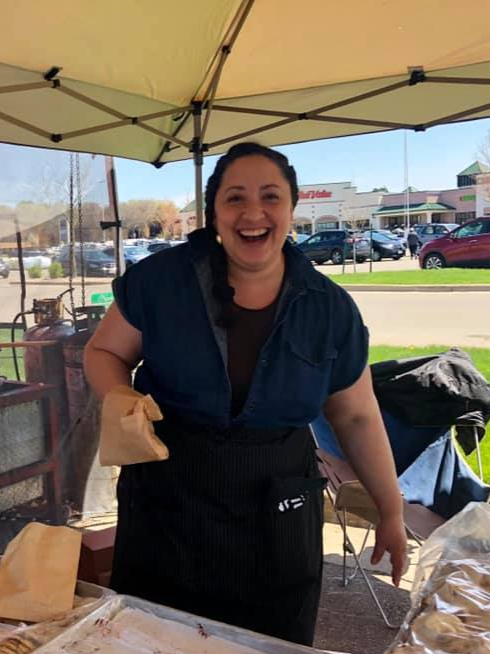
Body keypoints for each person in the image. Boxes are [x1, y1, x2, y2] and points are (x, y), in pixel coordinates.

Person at [83, 142, 407, 646]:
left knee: (269, 641)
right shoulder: (159, 281)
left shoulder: (330, 310)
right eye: (235, 198)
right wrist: (119, 397)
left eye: (270, 197)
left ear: (292, 209)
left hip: (275, 515)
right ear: (214, 212)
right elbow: (104, 353)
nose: (253, 213)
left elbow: (358, 417)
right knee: (154, 637)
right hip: (169, 499)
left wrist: (391, 511)